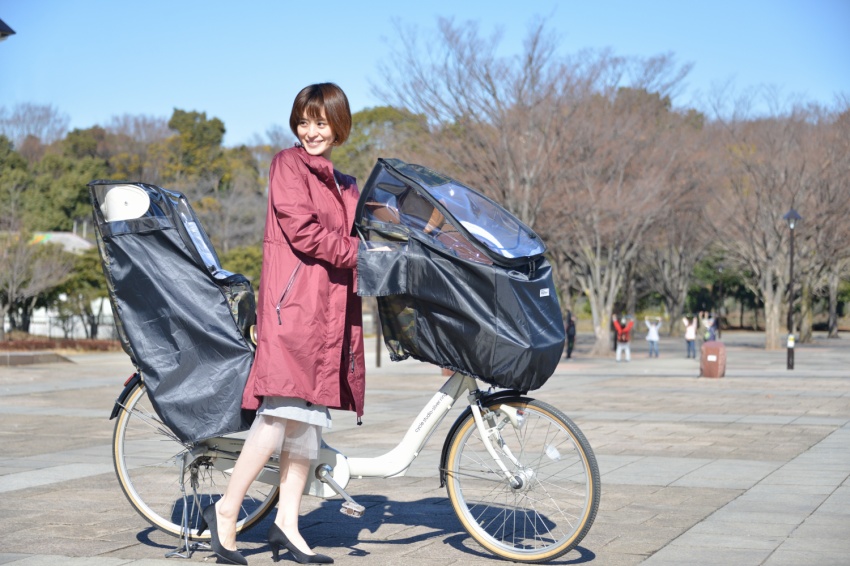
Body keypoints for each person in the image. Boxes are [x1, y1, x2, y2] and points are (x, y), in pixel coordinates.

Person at [198, 83, 363, 565]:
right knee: (277, 416)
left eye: (321, 123)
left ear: (338, 126)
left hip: (332, 312)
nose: (311, 131)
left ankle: (287, 524)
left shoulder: (348, 184)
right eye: (304, 121)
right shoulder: (287, 166)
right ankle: (226, 511)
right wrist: (363, 255)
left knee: (307, 425)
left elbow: (363, 229)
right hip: (293, 310)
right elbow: (306, 233)